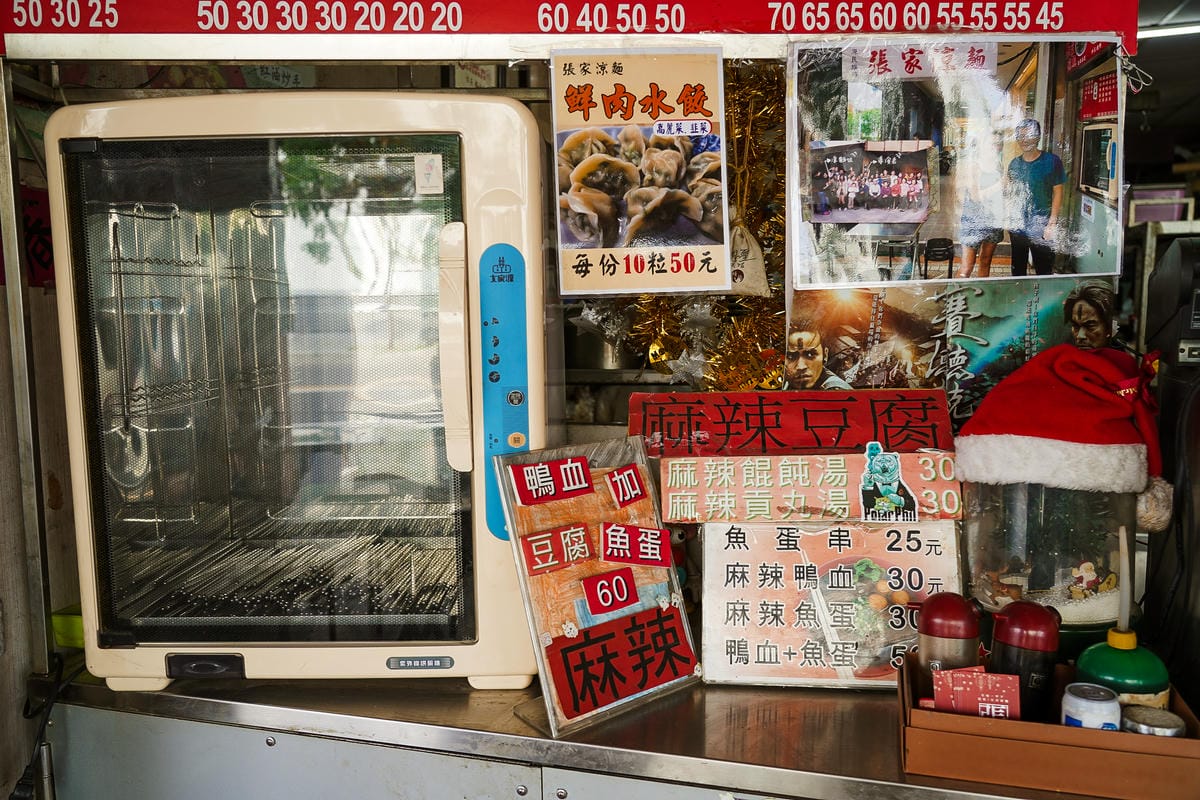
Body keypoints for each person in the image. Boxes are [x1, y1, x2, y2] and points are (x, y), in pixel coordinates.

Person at [1005, 119, 1065, 277]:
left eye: (1029, 135)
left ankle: (1041, 300)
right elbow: (1012, 194)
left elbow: (1058, 192)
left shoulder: (1052, 162)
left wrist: (1052, 223)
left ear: (1038, 137)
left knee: (1043, 269)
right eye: (1021, 136)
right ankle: (1020, 298)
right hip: (1018, 226)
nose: (1024, 140)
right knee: (1017, 269)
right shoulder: (1014, 164)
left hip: (1042, 225)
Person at [956, 137, 1005, 278]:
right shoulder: (973, 166)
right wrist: (1000, 185)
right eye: (990, 144)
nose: (994, 147)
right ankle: (956, 295)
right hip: (973, 222)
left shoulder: (998, 165)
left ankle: (980, 296)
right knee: (967, 267)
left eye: (997, 144)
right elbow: (975, 196)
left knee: (985, 261)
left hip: (994, 220)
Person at [783, 328, 852, 390]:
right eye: (791, 357)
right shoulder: (787, 381)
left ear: (825, 354)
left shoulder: (836, 392)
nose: (801, 367)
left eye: (810, 355)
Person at [1062, 279, 1119, 350]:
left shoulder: (1121, 360)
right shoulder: (1064, 358)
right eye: (1076, 326)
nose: (1080, 336)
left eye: (1090, 326)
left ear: (1109, 327)